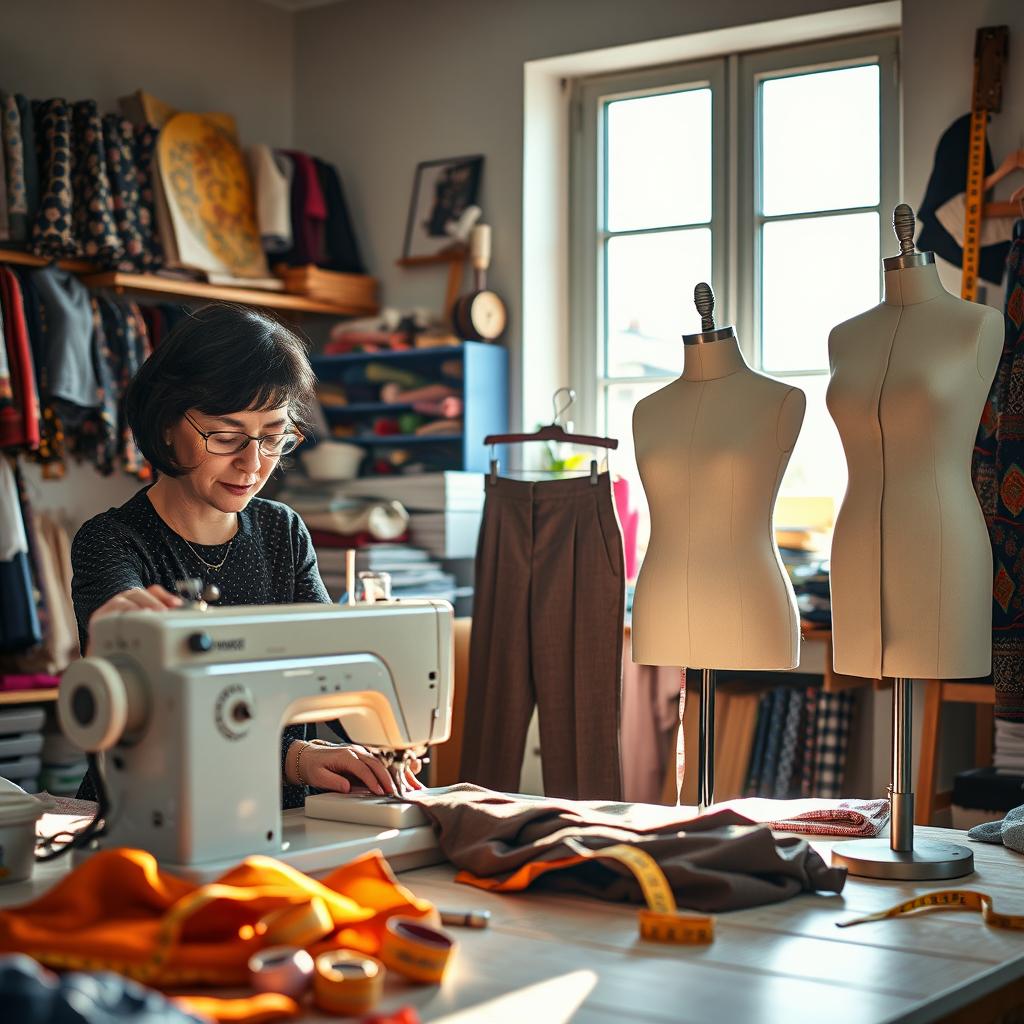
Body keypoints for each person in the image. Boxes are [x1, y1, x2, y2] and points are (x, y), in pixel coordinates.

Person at [71, 303, 423, 808]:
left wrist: (383, 738)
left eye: (274, 437)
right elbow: (157, 712)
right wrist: (296, 758)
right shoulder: (112, 542)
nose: (253, 464)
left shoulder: (282, 531)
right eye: (228, 437)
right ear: (167, 423)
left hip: (275, 812)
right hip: (153, 811)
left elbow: (331, 664)